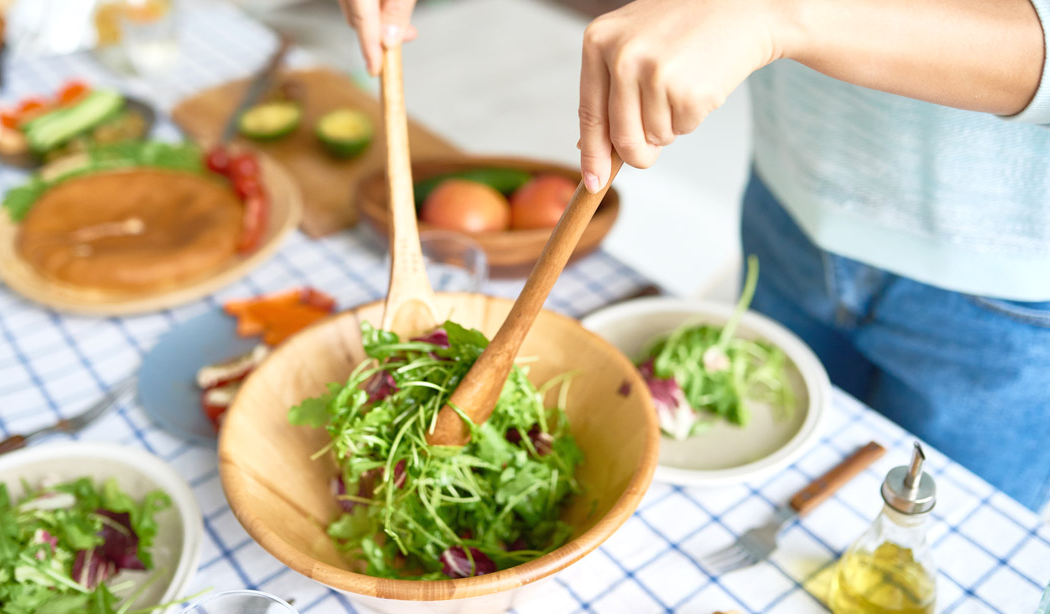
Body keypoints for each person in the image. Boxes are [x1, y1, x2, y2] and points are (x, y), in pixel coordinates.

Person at [336, 0, 1050, 512]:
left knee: (932, 542)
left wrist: (781, 13)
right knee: (769, 494)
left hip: (1008, 295)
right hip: (789, 205)